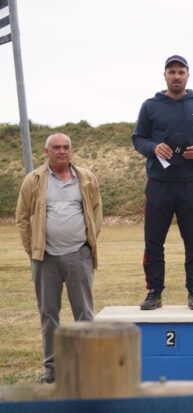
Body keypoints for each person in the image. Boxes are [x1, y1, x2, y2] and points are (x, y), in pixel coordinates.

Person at [132, 55, 193, 310]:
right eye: (172, 72)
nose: (177, 76)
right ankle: (154, 291)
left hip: (191, 184)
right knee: (153, 241)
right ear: (165, 76)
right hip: (159, 184)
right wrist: (153, 147)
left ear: (188, 76)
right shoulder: (150, 106)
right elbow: (138, 138)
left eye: (181, 72)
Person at [16, 133, 103, 383]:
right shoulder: (33, 180)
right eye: (56, 148)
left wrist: (88, 244)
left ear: (71, 150)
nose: (62, 151)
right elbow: (22, 218)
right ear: (47, 152)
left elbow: (96, 212)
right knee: (49, 314)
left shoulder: (86, 178)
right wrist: (33, 250)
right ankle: (53, 369)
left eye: (66, 147)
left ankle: (87, 367)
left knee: (84, 313)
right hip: (46, 259)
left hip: (79, 255)